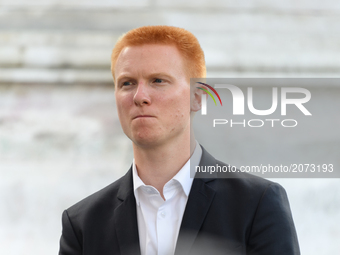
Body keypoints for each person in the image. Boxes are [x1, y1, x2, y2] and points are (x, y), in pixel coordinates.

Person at [59, 26, 300, 255]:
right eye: (127, 83)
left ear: (197, 97)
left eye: (158, 80)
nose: (139, 96)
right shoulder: (82, 223)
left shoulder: (257, 204)